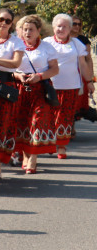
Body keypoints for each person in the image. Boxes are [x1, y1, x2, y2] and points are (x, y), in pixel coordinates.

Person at [13, 15, 59, 174]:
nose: (27, 32)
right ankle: (25, 155)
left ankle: (32, 158)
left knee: (36, 122)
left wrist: (39, 76)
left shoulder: (47, 47)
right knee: (23, 123)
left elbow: (55, 69)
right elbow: (9, 70)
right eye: (25, 29)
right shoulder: (16, 46)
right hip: (20, 89)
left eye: (31, 29)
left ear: (38, 30)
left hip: (40, 89)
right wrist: (19, 76)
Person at [44, 14, 94, 158]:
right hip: (51, 85)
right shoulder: (46, 43)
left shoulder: (76, 44)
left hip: (71, 86)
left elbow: (83, 64)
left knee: (66, 117)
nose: (61, 29)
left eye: (65, 26)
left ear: (70, 28)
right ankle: (51, 142)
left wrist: (89, 81)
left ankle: (61, 146)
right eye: (58, 26)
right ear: (54, 27)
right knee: (51, 116)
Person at [0, 8, 24, 180]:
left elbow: (15, 63)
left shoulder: (15, 42)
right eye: (1, 19)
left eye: (8, 21)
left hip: (6, 84)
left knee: (1, 124)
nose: (3, 23)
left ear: (12, 24)